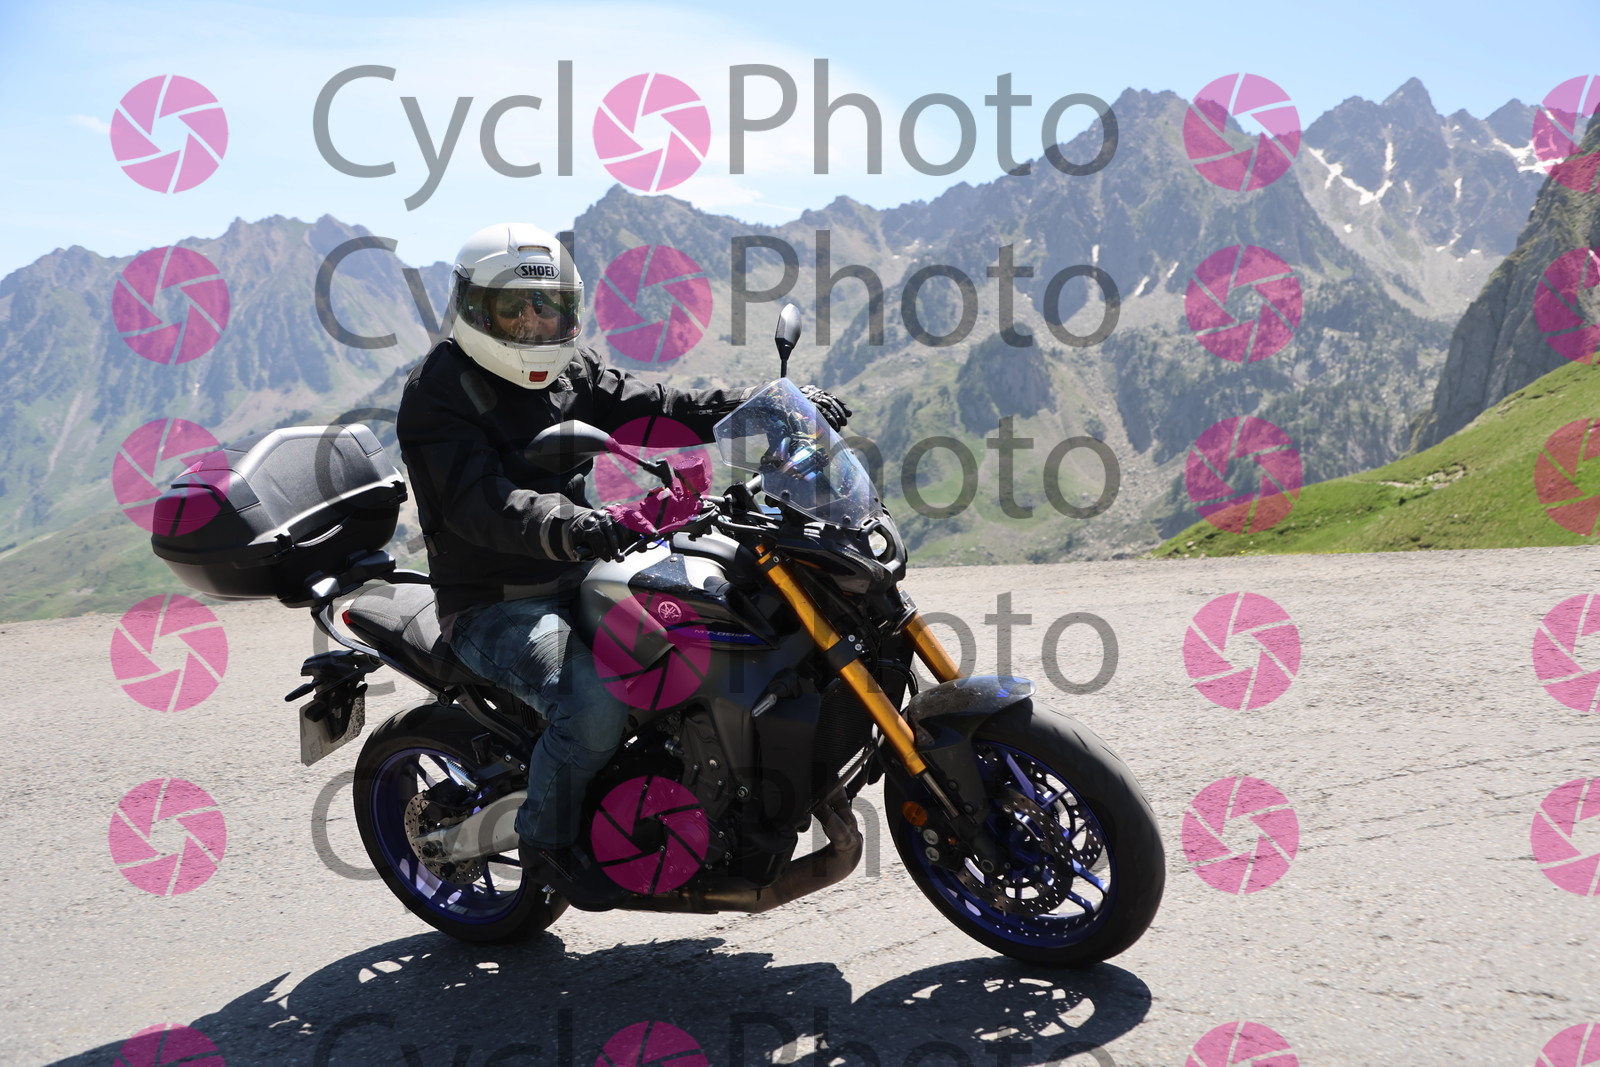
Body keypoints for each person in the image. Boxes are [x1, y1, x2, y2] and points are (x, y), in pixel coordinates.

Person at [395, 222, 850, 910]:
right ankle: (549, 845)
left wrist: (770, 409)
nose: (533, 323)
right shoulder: (438, 393)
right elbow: (482, 503)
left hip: (585, 566)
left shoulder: (570, 371)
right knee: (593, 703)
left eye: (548, 307)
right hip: (496, 599)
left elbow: (659, 406)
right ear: (474, 309)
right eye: (514, 308)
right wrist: (578, 526)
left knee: (717, 630)